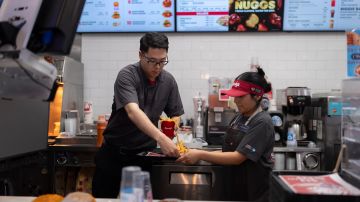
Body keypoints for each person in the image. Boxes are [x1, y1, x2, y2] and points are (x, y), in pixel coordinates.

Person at [92, 32, 184, 198]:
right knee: (103, 199)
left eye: (162, 61)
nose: (157, 67)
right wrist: (161, 138)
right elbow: (133, 112)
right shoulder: (127, 75)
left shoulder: (168, 81)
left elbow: (175, 114)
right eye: (152, 61)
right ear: (140, 55)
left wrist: (173, 125)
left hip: (144, 156)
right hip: (114, 154)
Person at [177, 67, 274, 202]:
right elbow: (226, 151)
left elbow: (237, 157)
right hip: (232, 189)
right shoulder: (239, 117)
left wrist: (200, 155)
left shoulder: (262, 122)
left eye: (240, 96)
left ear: (257, 96)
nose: (236, 101)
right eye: (235, 96)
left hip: (252, 193)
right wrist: (195, 152)